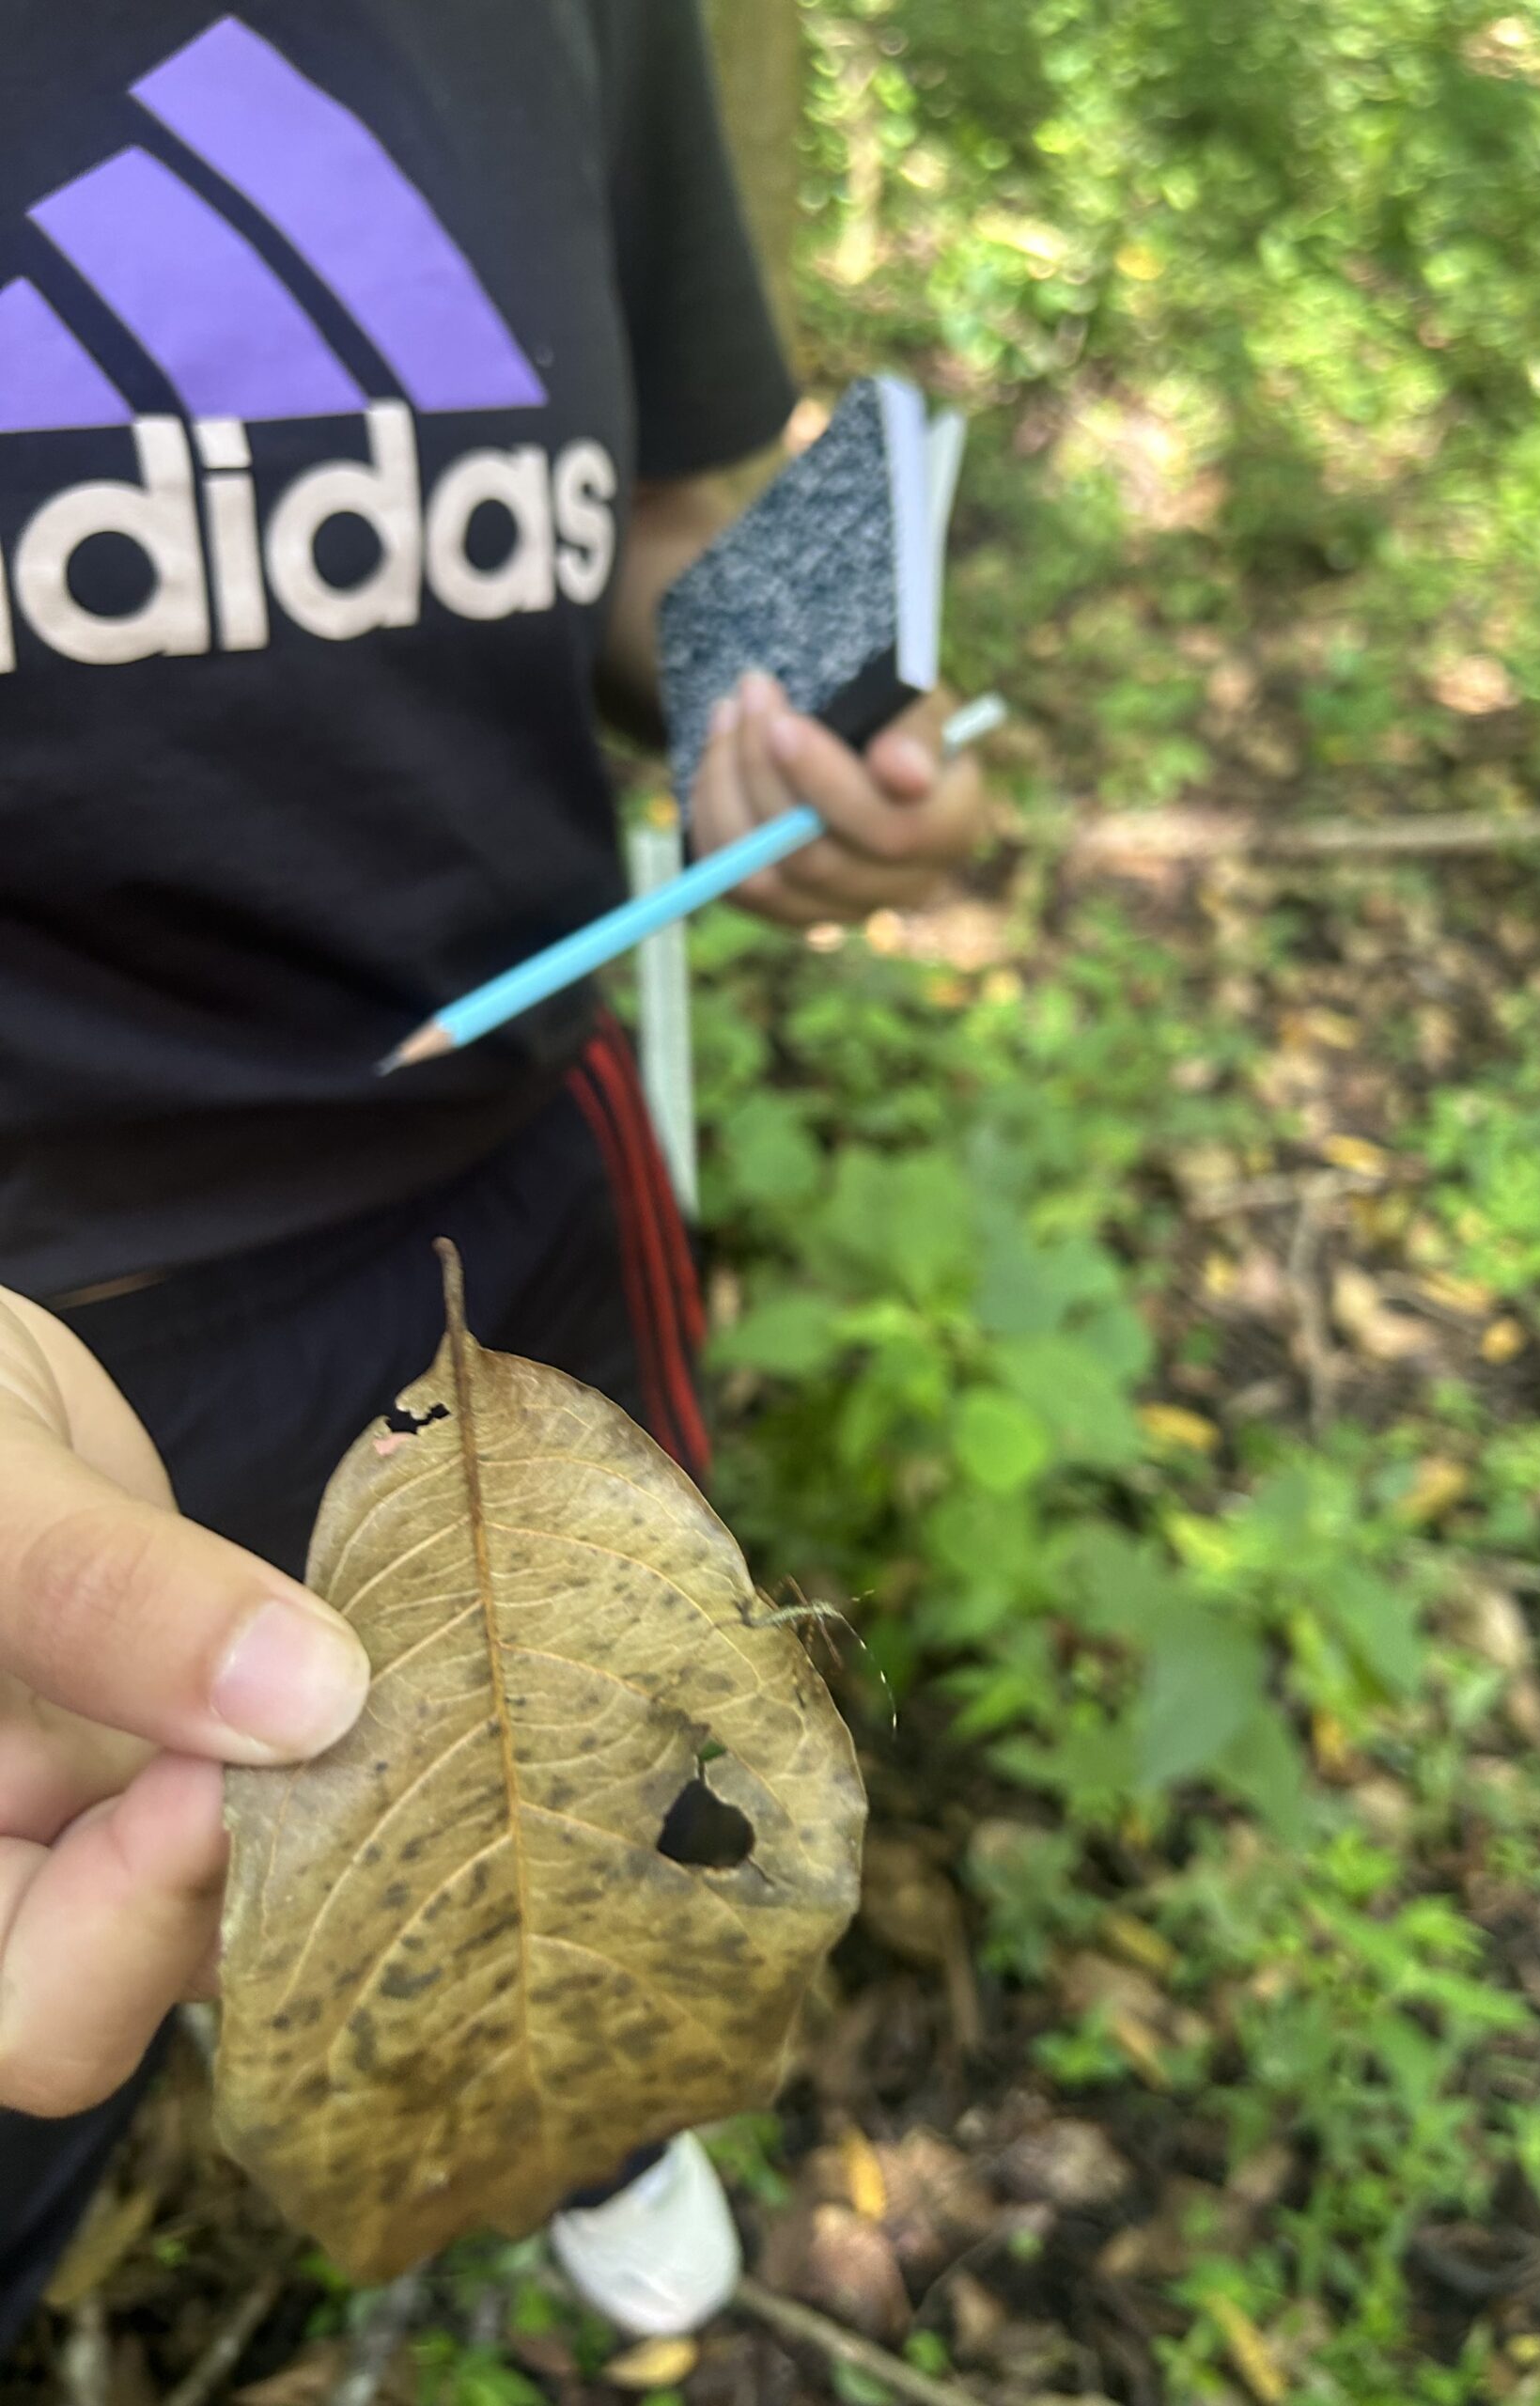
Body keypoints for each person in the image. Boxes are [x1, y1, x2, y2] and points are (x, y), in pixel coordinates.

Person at [0, 0, 985, 2357]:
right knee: (53, 1990)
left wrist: (811, 727)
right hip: (46, 1294)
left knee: (612, 1777)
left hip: (508, 1168)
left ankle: (596, 2124)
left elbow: (677, 517)